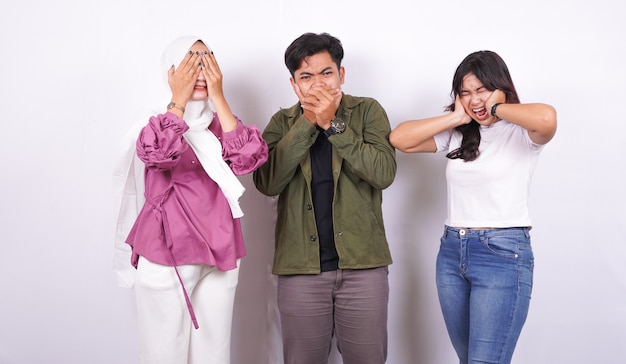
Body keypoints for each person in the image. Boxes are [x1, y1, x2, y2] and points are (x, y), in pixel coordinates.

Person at [390, 50, 557, 364]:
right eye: (465, 92)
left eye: (482, 89)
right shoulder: (459, 135)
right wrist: (457, 117)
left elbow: (548, 118)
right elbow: (400, 139)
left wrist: (495, 106)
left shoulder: (522, 133)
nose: (475, 99)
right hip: (452, 253)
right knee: (470, 359)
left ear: (502, 87)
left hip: (503, 254)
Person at [113, 35, 268, 364]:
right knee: (162, 351)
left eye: (206, 61)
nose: (199, 71)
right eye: (189, 62)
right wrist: (178, 102)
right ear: (170, 71)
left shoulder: (219, 125)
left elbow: (249, 159)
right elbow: (157, 154)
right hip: (167, 249)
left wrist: (220, 99)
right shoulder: (154, 123)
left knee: (214, 350)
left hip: (221, 248)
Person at [253, 32, 397, 364]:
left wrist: (332, 124)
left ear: (341, 74)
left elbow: (383, 173)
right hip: (300, 268)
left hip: (364, 266)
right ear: (294, 84)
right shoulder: (281, 123)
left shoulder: (368, 112)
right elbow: (267, 181)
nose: (318, 84)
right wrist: (308, 122)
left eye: (326, 73)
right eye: (306, 76)